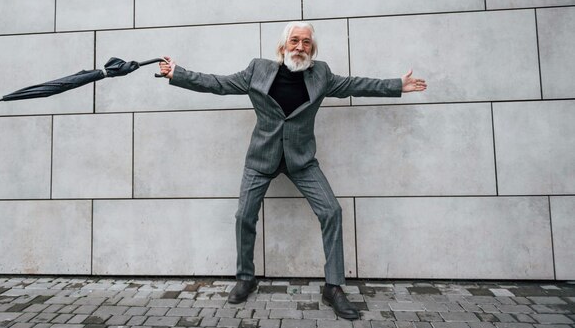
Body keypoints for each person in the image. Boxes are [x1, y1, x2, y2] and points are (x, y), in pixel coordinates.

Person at [158, 21, 426, 320]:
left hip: (301, 160)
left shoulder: (321, 74)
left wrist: (397, 85)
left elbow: (355, 84)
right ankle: (245, 277)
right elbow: (218, 84)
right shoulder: (257, 70)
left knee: (332, 212)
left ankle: (334, 287)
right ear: (283, 46)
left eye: (306, 42)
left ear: (313, 47)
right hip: (261, 159)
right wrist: (178, 73)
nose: (300, 47)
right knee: (244, 215)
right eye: (295, 41)